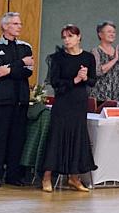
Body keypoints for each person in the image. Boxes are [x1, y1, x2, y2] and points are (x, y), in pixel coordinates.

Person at [40, 25, 97, 193]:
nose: (67, 40)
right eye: (64, 37)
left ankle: (74, 177)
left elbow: (93, 81)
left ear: (79, 37)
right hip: (63, 103)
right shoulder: (58, 58)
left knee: (77, 138)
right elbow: (55, 83)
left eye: (70, 36)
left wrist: (86, 78)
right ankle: (47, 176)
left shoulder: (88, 57)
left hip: (79, 103)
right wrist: (75, 80)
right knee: (57, 137)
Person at [0, 12, 33, 187]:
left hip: (21, 97)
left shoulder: (25, 46)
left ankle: (13, 175)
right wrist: (20, 63)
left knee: (17, 137)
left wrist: (10, 68)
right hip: (3, 98)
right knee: (0, 136)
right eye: (15, 23)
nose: (19, 26)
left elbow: (29, 71)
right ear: (5, 26)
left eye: (20, 23)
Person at [91, 21, 119, 103]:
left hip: (117, 98)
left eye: (114, 32)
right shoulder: (95, 51)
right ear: (100, 34)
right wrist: (115, 59)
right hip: (100, 97)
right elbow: (97, 71)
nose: (112, 34)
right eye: (109, 32)